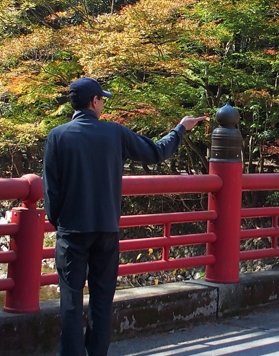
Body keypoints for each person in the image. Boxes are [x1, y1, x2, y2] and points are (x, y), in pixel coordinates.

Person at [43, 77, 207, 356]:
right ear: (94, 101)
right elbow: (155, 152)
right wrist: (180, 129)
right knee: (102, 300)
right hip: (106, 228)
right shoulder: (114, 133)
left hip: (72, 230)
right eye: (102, 99)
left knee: (70, 302)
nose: (103, 103)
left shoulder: (58, 136)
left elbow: (51, 189)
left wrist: (59, 221)